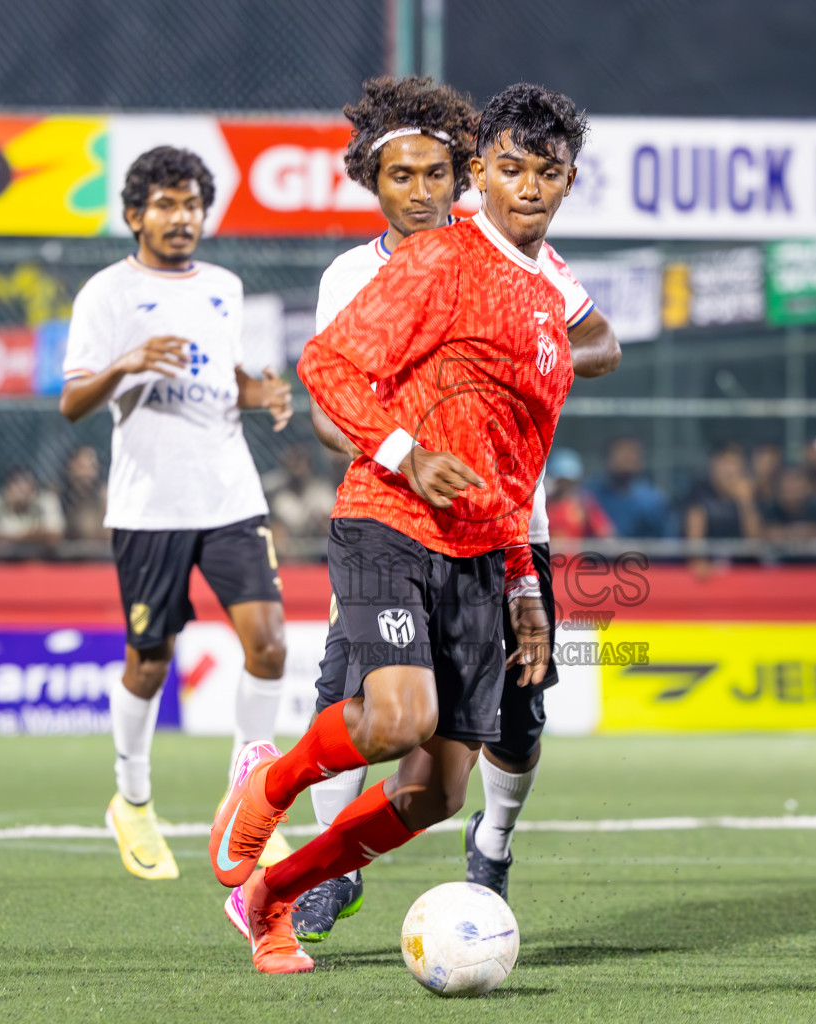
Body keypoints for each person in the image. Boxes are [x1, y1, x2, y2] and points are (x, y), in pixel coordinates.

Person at [210, 82, 588, 975]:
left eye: (549, 173)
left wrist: (526, 584)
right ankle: (268, 784)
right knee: (397, 717)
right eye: (510, 169)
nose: (528, 188)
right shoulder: (436, 260)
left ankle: (274, 897)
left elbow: (513, 467)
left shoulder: (549, 307)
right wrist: (410, 454)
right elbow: (326, 364)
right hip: (388, 520)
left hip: (482, 552)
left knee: (433, 793)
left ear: (569, 182)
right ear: (480, 175)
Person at [58, 146, 294, 883]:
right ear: (134, 215)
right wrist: (125, 364)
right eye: (164, 204)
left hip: (229, 495)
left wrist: (263, 395)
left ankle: (248, 808)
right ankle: (131, 801)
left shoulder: (225, 286)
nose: (181, 216)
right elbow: (71, 403)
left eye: (191, 203)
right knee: (150, 661)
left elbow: (228, 379)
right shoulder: (106, 293)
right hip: (149, 506)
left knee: (271, 644)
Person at [683, 442, 759, 576]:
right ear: (713, 465)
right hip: (711, 574)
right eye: (726, 463)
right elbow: (694, 544)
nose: (730, 470)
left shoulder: (749, 496)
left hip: (744, 572)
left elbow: (756, 544)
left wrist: (746, 503)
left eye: (736, 464)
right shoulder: (699, 496)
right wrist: (701, 564)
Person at [261, 443, 338, 559]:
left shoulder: (320, 491)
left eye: (301, 463)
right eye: (293, 463)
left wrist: (323, 522)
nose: (297, 469)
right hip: (288, 552)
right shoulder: (279, 493)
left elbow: (332, 525)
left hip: (316, 550)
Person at [588, 436, 671, 537]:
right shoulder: (590, 496)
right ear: (607, 458)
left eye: (632, 454)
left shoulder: (652, 500)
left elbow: (667, 540)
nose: (627, 459)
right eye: (621, 453)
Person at [0, 467, 64, 547]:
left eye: (25, 485)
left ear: (33, 489)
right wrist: (33, 536)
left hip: (37, 561)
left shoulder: (45, 501)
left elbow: (54, 534)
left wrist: (14, 537)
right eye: (16, 485)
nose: (21, 491)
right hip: (3, 561)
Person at [544, 447, 613, 540]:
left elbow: (604, 532)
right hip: (546, 553)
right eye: (560, 481)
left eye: (568, 481)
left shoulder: (584, 503)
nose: (564, 486)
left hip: (575, 554)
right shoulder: (544, 503)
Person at [60, 445, 109, 543]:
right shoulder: (59, 498)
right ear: (71, 467)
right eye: (82, 467)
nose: (87, 473)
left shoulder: (105, 497)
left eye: (92, 467)